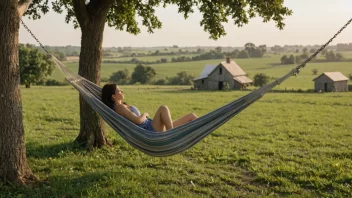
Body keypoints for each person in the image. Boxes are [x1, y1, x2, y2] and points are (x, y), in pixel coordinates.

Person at [101, 83, 198, 132]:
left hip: (152, 125)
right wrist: (145, 114)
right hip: (149, 130)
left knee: (191, 116)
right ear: (113, 96)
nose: (122, 91)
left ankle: (205, 128)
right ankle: (171, 134)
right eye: (119, 90)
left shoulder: (123, 105)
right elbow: (138, 121)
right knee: (162, 108)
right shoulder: (119, 107)